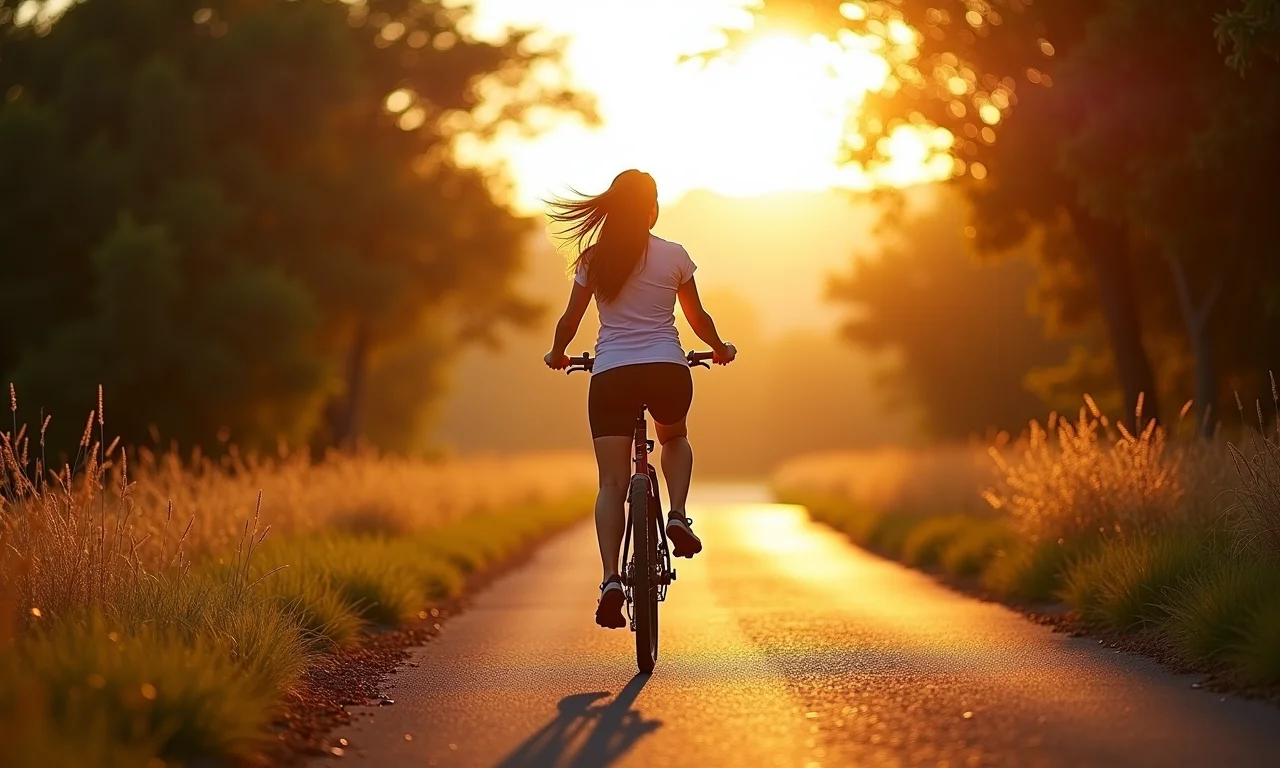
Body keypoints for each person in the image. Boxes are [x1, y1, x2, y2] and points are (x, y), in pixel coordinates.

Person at [543, 169, 737, 629]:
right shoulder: (674, 255)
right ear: (652, 208)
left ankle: (611, 579)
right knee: (673, 439)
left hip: (611, 376)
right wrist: (720, 348)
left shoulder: (593, 259)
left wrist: (558, 354)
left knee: (611, 483)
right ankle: (677, 515)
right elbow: (698, 317)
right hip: (667, 371)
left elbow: (570, 320)